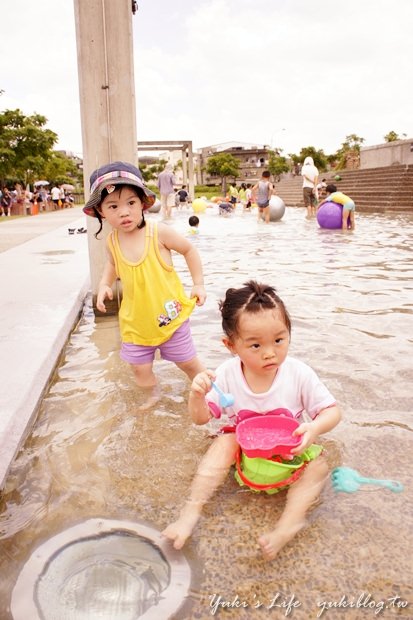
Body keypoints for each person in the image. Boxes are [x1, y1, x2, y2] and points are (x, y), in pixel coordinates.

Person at [163, 280, 341, 560]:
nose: (270, 353)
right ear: (231, 345)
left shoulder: (298, 373)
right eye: (256, 345)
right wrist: (196, 395)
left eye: (279, 340)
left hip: (287, 448)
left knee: (318, 466)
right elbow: (201, 419)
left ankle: (288, 524)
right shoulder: (227, 375)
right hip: (243, 448)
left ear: (289, 334)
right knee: (223, 442)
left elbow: (332, 411)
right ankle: (190, 513)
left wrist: (314, 427)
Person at [83, 161, 207, 410]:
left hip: (170, 317)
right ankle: (153, 395)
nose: (124, 212)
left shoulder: (158, 232)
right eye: (113, 206)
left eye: (131, 203)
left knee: (188, 363)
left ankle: (206, 391)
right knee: (140, 369)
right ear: (101, 212)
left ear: (142, 203)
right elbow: (112, 264)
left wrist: (198, 284)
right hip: (136, 322)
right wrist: (105, 284)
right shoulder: (112, 241)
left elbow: (189, 249)